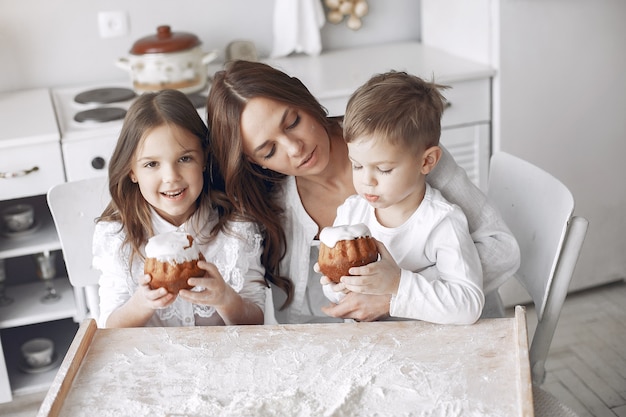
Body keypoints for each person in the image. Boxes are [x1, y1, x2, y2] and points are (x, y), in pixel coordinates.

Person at [207, 60, 520, 324]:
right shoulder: (266, 200)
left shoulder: (393, 144)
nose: (295, 147)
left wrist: (393, 296)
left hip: (460, 334)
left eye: (292, 122)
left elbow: (501, 250)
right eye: (269, 149)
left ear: (302, 98)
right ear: (253, 160)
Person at [319, 71, 484, 324]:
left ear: (427, 161)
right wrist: (336, 285)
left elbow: (468, 304)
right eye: (357, 165)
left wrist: (397, 283)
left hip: (427, 346)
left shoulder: (441, 222)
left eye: (383, 169)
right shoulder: (351, 213)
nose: (367, 180)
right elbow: (344, 296)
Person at [93, 89, 266, 328]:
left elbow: (257, 320)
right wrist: (141, 304)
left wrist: (226, 299)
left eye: (184, 159)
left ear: (204, 158)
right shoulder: (117, 235)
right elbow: (108, 329)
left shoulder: (236, 227)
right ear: (131, 171)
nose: (171, 177)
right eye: (152, 164)